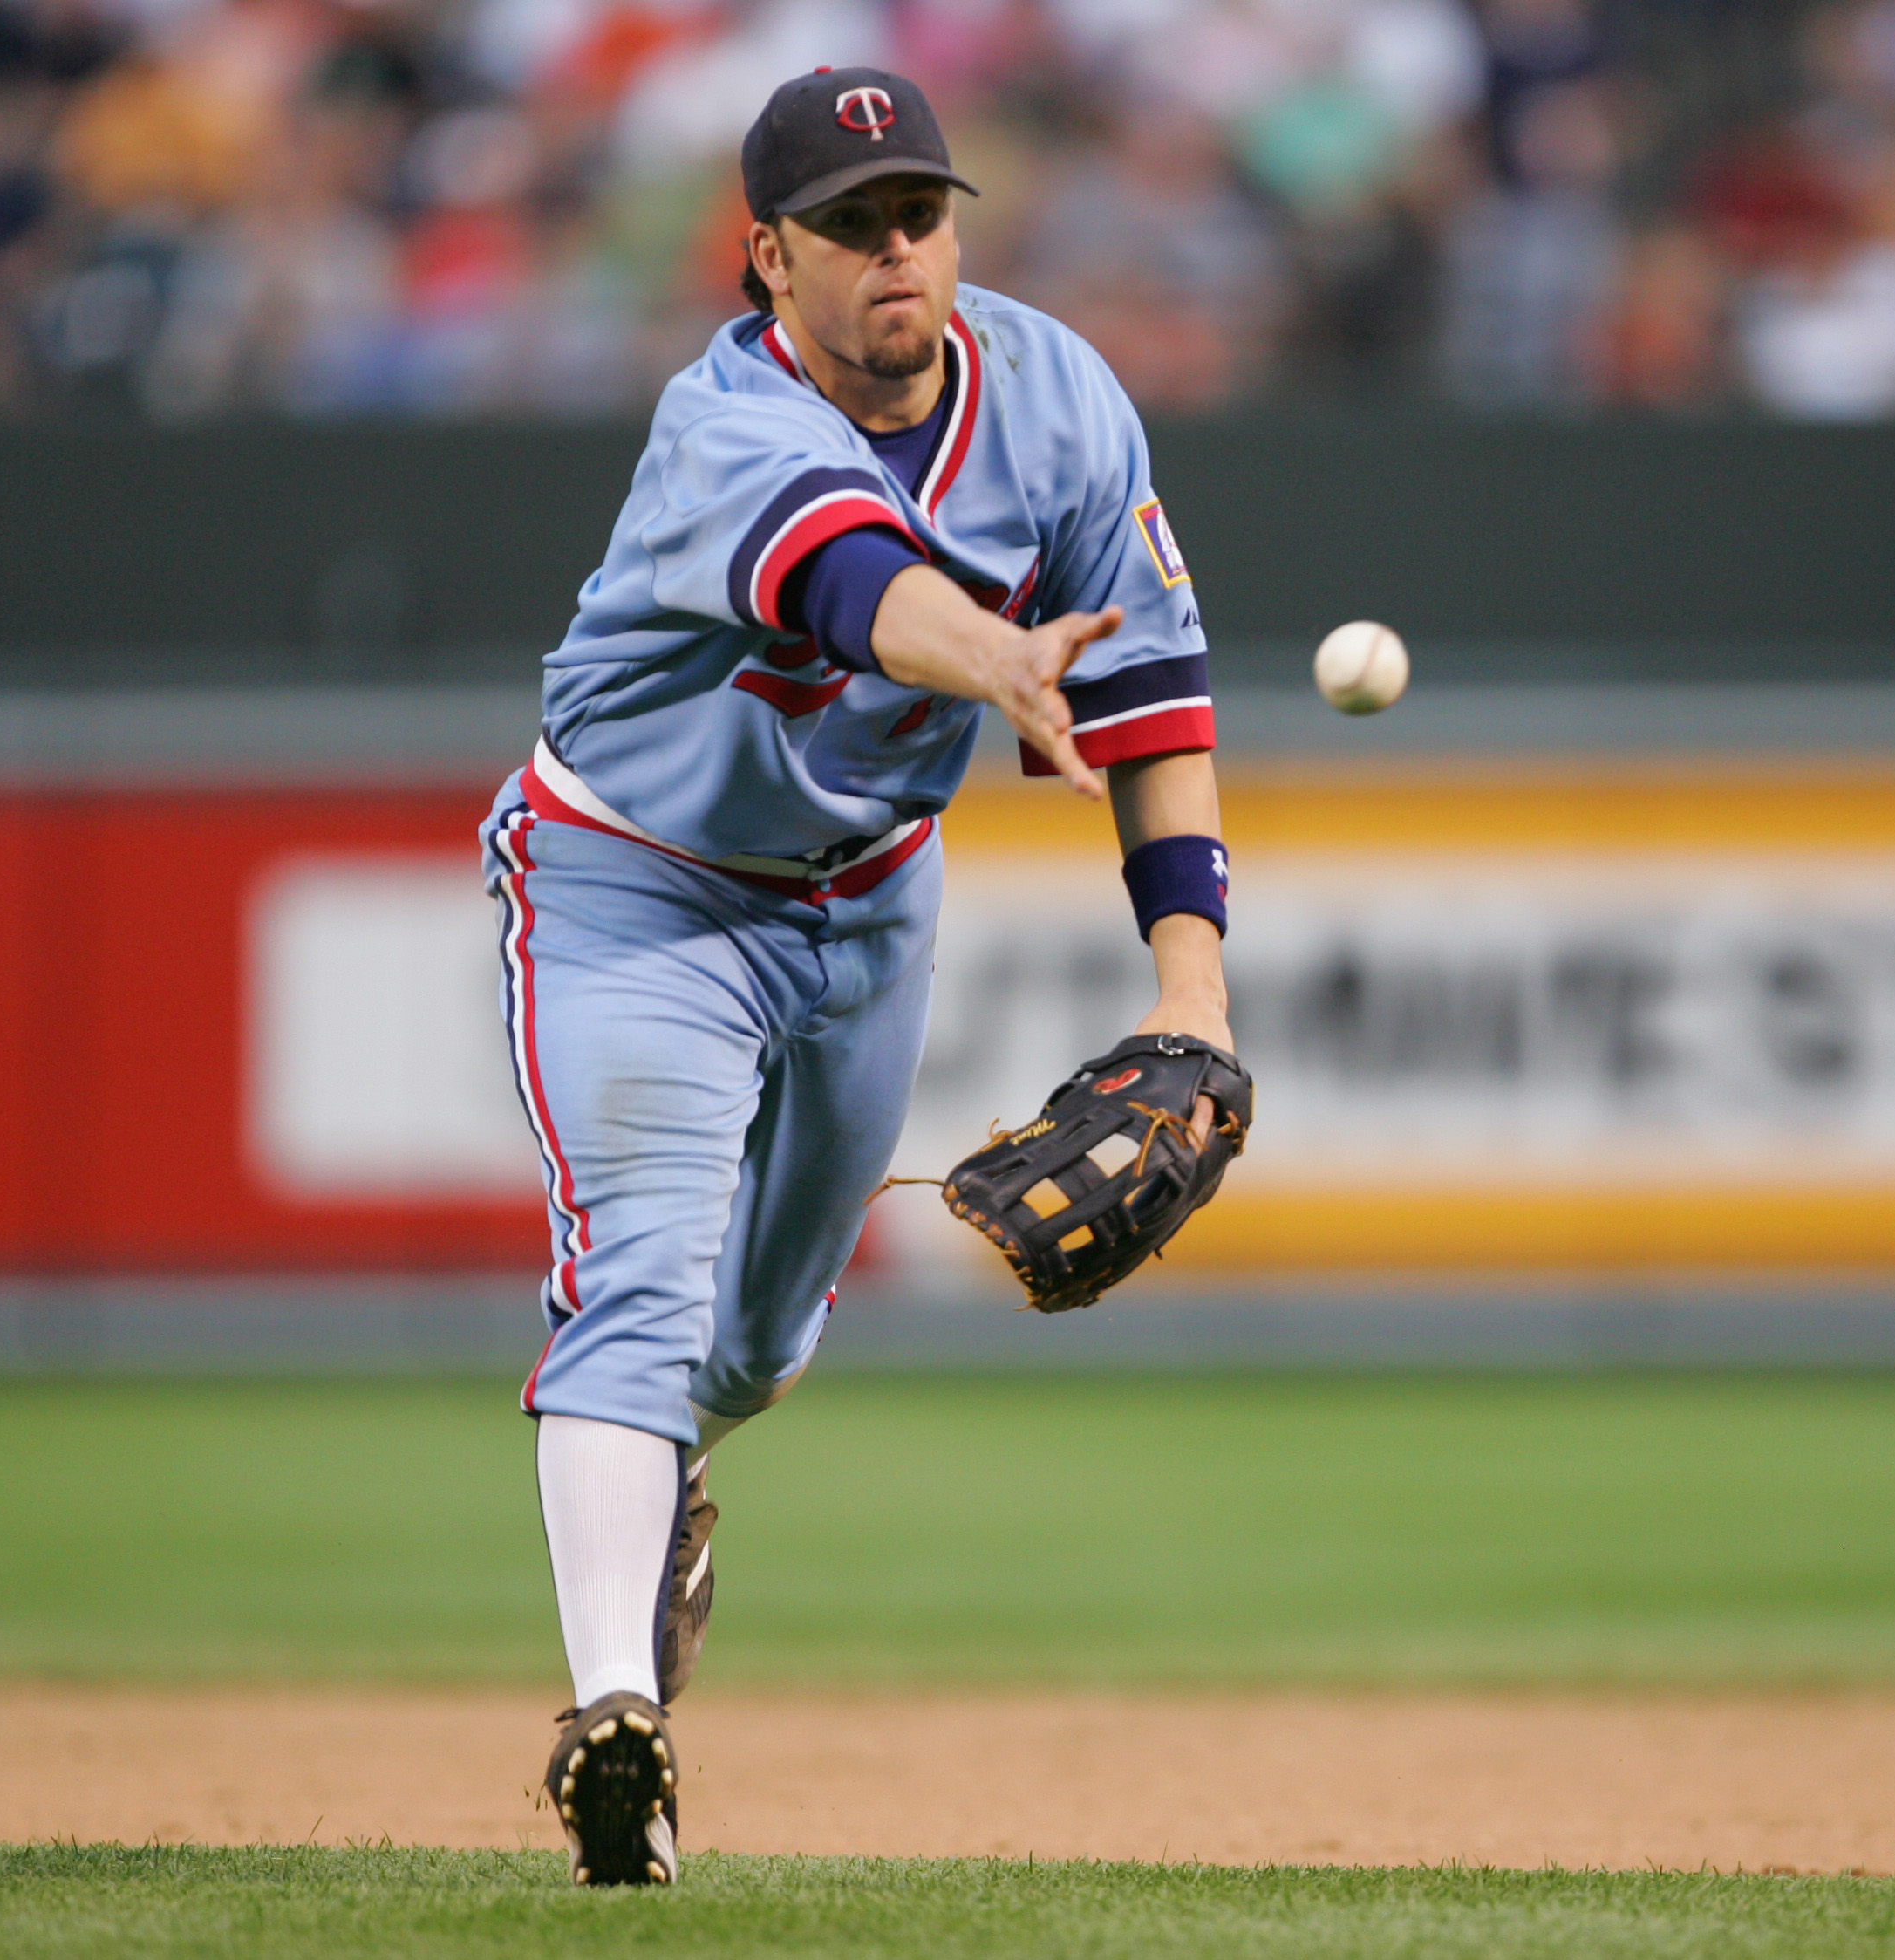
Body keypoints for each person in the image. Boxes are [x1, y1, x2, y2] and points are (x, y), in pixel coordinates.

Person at [479, 65, 1235, 1886]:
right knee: (642, 1283)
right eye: (852, 225)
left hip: (870, 898)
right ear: (769, 260)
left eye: (922, 213)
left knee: (755, 1334)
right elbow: (857, 583)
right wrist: (992, 656)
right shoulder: (722, 423)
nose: (899, 253)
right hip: (633, 886)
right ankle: (616, 1722)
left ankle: (658, 1498)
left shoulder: (1056, 396)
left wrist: (1193, 991)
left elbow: (1152, 696)